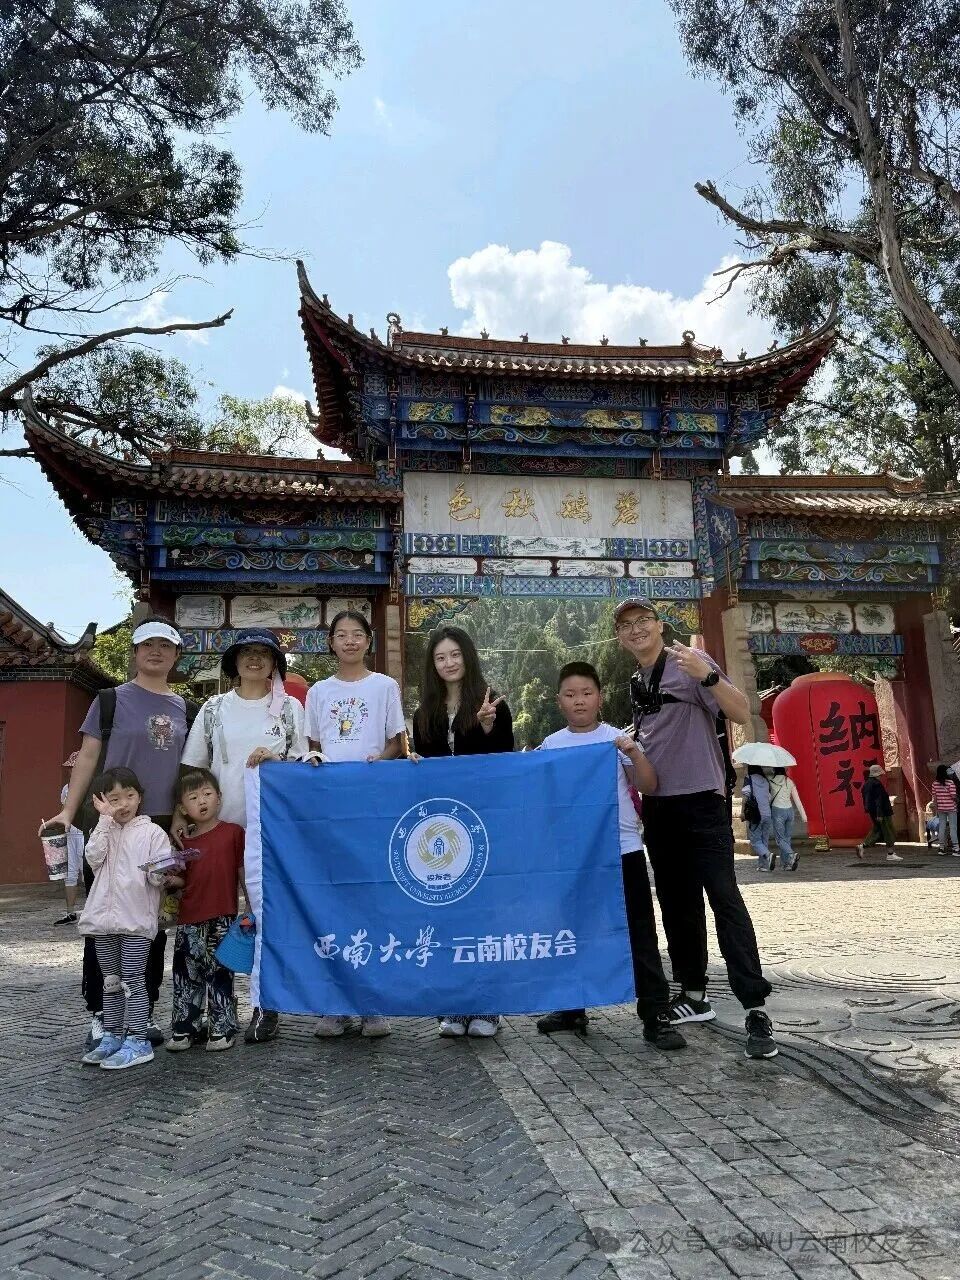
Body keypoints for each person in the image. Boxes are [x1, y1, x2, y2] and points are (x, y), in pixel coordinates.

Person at [614, 597, 778, 1060]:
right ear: (620, 638)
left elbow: (742, 712)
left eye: (643, 620)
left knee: (724, 899)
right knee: (676, 904)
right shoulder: (636, 681)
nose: (636, 629)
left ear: (659, 625)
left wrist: (708, 675)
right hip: (659, 807)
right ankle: (694, 995)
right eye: (626, 625)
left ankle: (755, 1006)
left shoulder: (690, 661)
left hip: (703, 801)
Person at [42, 616, 197, 1052]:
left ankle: (140, 1015)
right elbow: (88, 757)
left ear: (176, 655)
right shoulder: (109, 700)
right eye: (147, 644)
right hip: (110, 824)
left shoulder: (186, 709)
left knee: (151, 924)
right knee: (106, 921)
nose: (155, 652)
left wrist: (181, 816)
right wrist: (68, 812)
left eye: (164, 646)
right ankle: (101, 1014)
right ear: (134, 652)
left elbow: (188, 770)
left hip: (160, 827)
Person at [535, 662, 685, 1051]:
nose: (579, 701)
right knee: (573, 932)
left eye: (586, 693)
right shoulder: (551, 746)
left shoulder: (616, 740)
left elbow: (649, 783)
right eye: (570, 694)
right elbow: (540, 799)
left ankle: (656, 1015)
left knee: (639, 935)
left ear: (599, 698)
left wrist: (633, 752)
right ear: (558, 701)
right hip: (574, 858)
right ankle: (572, 1008)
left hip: (622, 851)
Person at [180, 628, 307, 1045]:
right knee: (215, 920)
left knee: (263, 916)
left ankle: (265, 1004)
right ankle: (211, 1008)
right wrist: (183, 817)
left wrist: (277, 758)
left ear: (275, 664)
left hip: (269, 830)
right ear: (233, 661)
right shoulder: (214, 708)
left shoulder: (289, 709)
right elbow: (195, 769)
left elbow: (305, 764)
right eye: (246, 652)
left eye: (263, 653)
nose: (254, 659)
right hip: (218, 830)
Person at [305, 609, 405, 1039]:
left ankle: (372, 1004)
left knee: (371, 900)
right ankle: (334, 1004)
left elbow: (397, 742)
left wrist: (379, 760)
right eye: (341, 634)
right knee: (331, 902)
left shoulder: (385, 687)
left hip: (373, 809)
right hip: (331, 811)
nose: (349, 641)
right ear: (331, 643)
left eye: (357, 634)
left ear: (369, 640)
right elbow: (312, 746)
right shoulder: (318, 692)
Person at [411, 625, 513, 1038]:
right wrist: (414, 763)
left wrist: (487, 728)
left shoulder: (492, 702)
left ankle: (487, 1005)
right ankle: (452, 1005)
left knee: (484, 914)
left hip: (483, 822)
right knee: (446, 913)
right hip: (441, 827)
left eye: (455, 655)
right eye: (440, 657)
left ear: (467, 657)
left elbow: (505, 760)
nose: (449, 663)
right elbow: (424, 768)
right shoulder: (424, 713)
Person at [77, 767, 174, 1070]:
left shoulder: (153, 833)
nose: (123, 804)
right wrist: (104, 822)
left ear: (139, 797)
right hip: (103, 922)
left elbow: (159, 877)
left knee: (133, 980)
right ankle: (112, 1036)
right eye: (114, 798)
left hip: (135, 922)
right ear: (102, 801)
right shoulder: (103, 830)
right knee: (111, 981)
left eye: (129, 796)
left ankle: (138, 1040)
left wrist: (160, 870)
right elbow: (93, 859)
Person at [166, 768, 247, 1052]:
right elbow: (183, 879)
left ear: (219, 798)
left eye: (207, 794)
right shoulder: (183, 842)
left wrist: (249, 905)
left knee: (220, 973)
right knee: (186, 975)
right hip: (188, 918)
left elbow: (242, 871)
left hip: (222, 916)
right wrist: (169, 880)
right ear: (182, 809)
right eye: (193, 797)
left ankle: (222, 1027)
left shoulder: (233, 833)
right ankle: (184, 1028)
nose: (202, 801)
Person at [53, 755, 86, 924]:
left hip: (85, 833)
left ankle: (93, 913)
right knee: (70, 874)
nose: (70, 771)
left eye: (73, 767)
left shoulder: (90, 786)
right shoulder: (66, 788)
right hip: (70, 833)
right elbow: (64, 810)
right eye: (70, 768)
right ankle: (70, 912)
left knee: (88, 873)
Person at [856, 764, 902, 861]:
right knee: (888, 831)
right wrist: (879, 813)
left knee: (877, 830)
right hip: (882, 812)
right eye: (880, 774)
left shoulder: (866, 784)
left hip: (873, 812)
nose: (881, 776)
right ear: (877, 774)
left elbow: (866, 800)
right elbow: (879, 800)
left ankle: (862, 846)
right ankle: (890, 853)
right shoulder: (877, 784)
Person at [768, 767, 807, 872]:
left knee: (780, 839)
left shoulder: (771, 782)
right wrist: (804, 816)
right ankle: (787, 864)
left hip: (778, 811)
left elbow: (769, 799)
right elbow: (797, 800)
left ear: (774, 770)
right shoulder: (789, 781)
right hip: (790, 811)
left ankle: (791, 854)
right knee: (787, 838)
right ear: (784, 770)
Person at [742, 767, 774, 871]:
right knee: (764, 840)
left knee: (755, 841)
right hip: (767, 813)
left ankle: (767, 854)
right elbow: (769, 797)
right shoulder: (765, 780)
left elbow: (746, 797)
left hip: (756, 814)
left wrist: (742, 812)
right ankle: (763, 865)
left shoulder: (749, 778)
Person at [931, 765, 960, 856]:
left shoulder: (934, 784)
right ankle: (956, 849)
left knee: (941, 827)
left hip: (941, 808)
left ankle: (941, 848)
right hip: (951, 808)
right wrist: (957, 800)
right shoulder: (950, 782)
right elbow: (953, 796)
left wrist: (936, 809)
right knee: (953, 828)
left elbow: (935, 799)